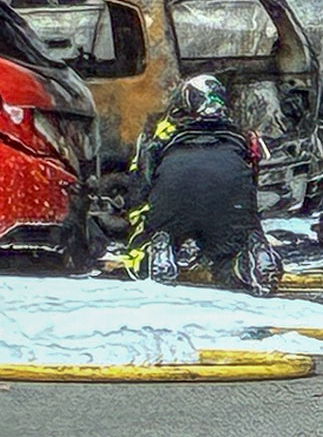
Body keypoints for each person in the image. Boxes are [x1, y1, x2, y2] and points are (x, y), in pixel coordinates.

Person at [120, 74, 284, 296]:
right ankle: (246, 261)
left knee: (144, 243)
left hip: (174, 200)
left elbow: (141, 182)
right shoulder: (240, 135)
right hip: (229, 202)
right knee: (226, 258)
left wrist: (141, 220)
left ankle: (155, 252)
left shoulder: (159, 133)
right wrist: (250, 227)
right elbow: (251, 181)